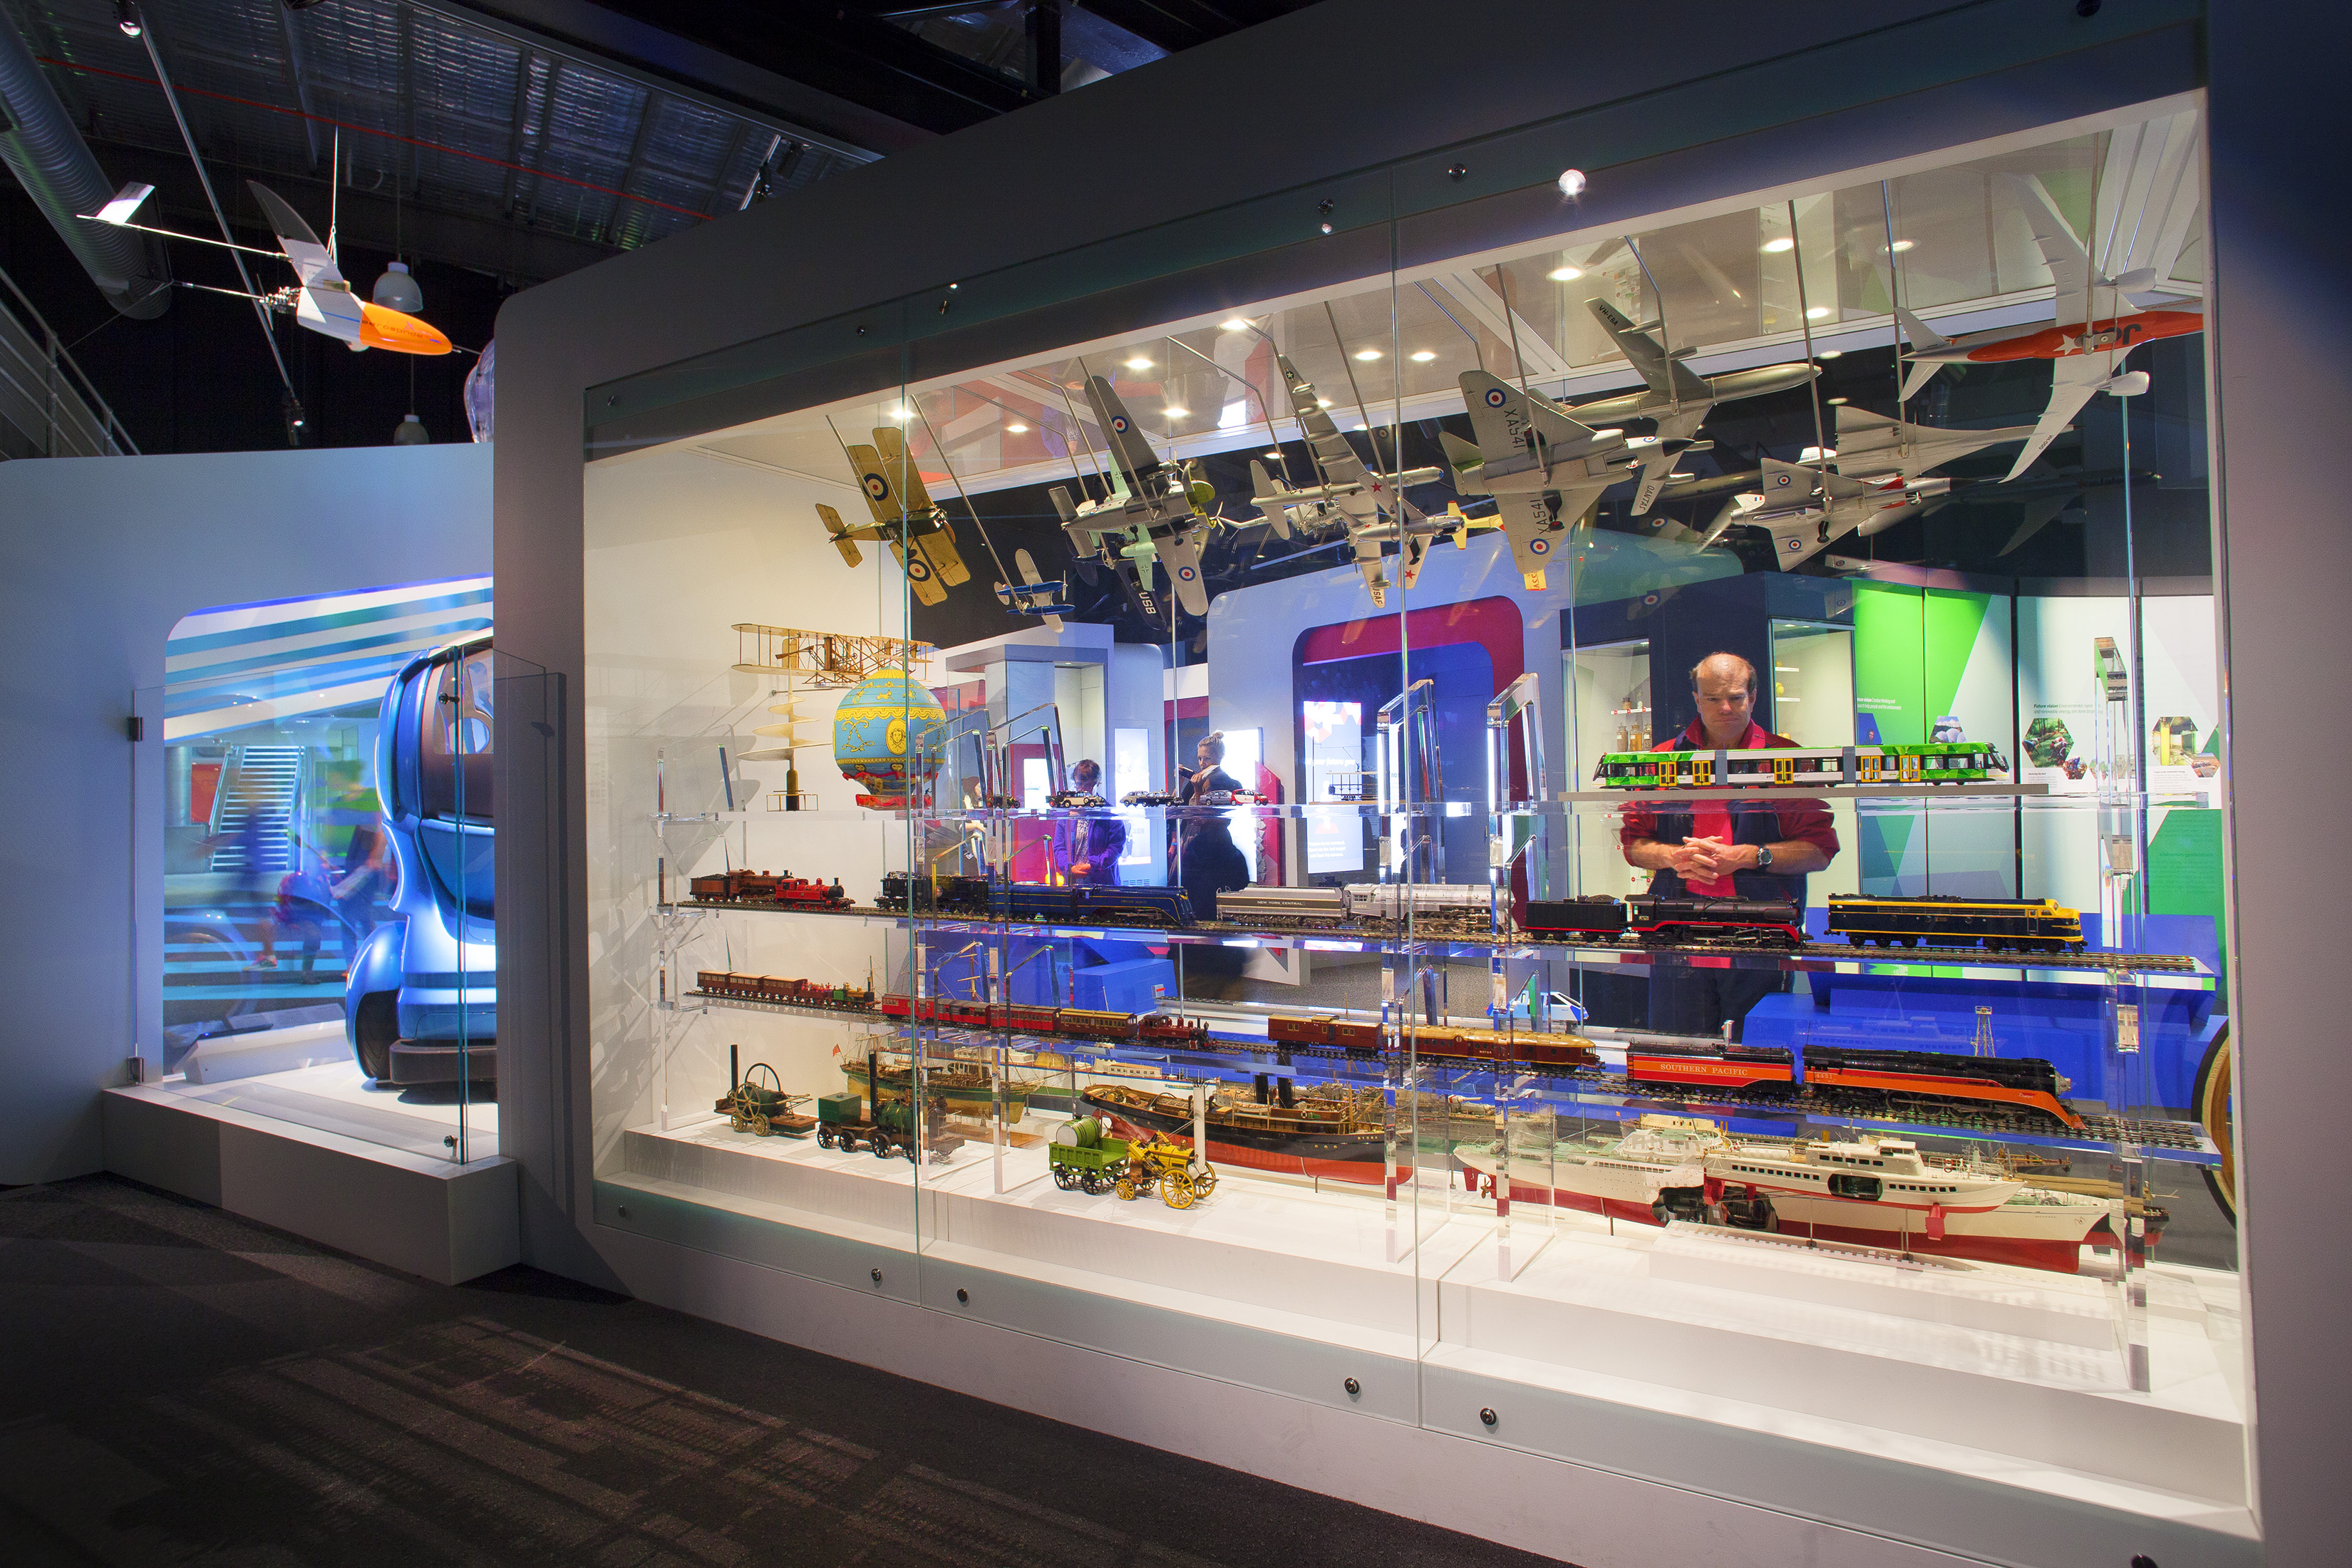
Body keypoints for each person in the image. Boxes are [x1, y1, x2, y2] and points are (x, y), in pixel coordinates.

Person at [1619, 651, 1839, 1041]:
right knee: (1676, 1055)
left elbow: (1819, 851)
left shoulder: (1786, 759)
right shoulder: (1661, 759)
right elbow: (1634, 844)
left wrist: (1751, 856)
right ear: (1696, 699)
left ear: (1753, 698)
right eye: (1713, 698)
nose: (1725, 708)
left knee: (1757, 1056)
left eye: (1736, 697)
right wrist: (1672, 857)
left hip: (1760, 938)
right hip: (1676, 936)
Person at [1172, 732, 1252, 920]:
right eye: (1199, 758)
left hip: (1214, 845)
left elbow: (1210, 820)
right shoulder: (1196, 779)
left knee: (1206, 898)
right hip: (1190, 841)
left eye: (1207, 758)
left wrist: (1198, 789)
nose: (1202, 763)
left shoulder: (1230, 783)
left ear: (1220, 756)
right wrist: (1180, 782)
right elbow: (1176, 808)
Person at [1052, 760, 1127, 886]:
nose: (1082, 790)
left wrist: (1092, 866)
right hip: (1073, 883)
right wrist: (1069, 867)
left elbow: (1115, 848)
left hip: (1103, 884)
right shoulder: (1067, 814)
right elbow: (1059, 847)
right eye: (1078, 784)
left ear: (1097, 783)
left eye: (1087, 785)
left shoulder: (1109, 813)